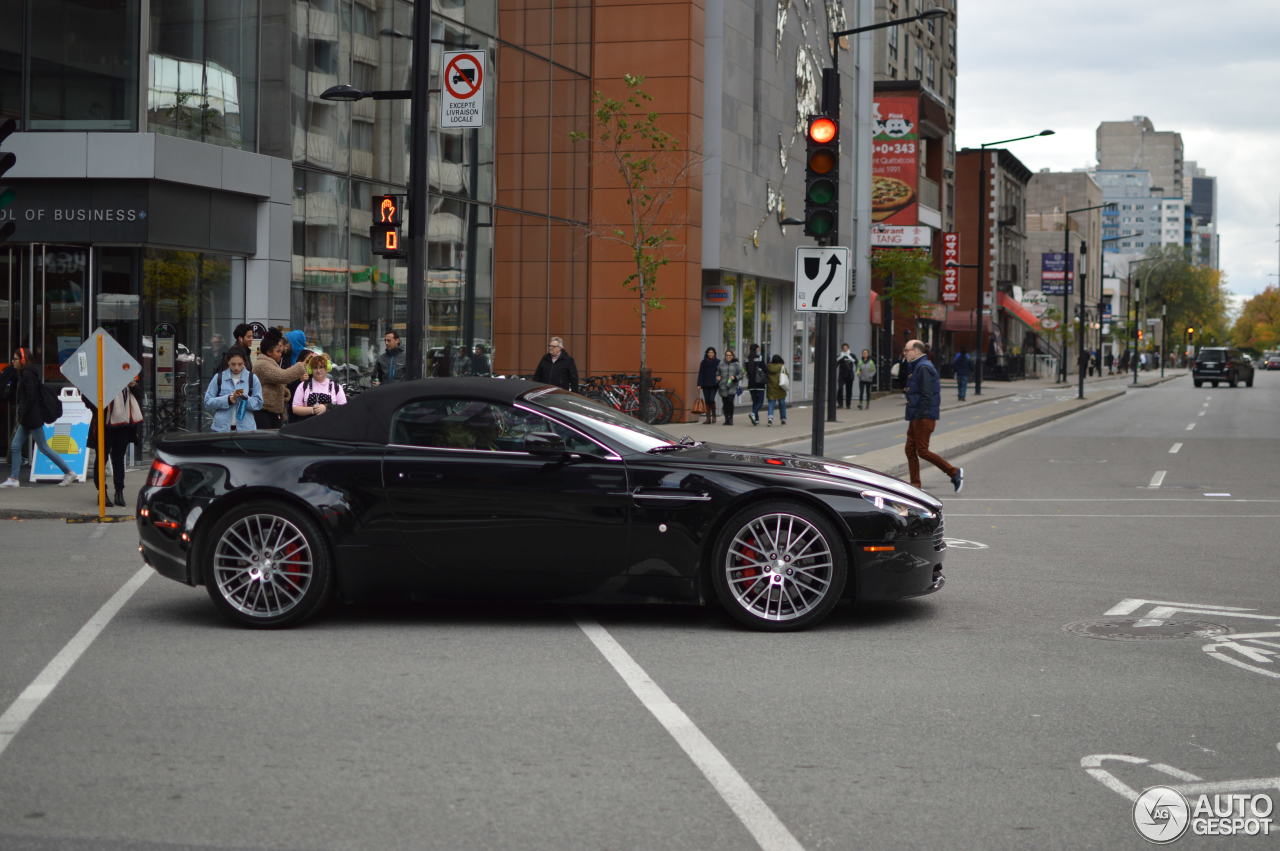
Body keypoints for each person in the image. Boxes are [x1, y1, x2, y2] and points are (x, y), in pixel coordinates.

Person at [2, 347, 77, 487]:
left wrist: (22, 414)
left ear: (23, 360)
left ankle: (69, 472)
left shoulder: (28, 375)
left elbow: (30, 398)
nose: (13, 361)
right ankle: (13, 478)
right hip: (28, 418)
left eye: (15, 359)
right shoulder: (25, 373)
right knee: (16, 446)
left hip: (31, 418)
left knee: (42, 447)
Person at [902, 339, 963, 493]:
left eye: (907, 350)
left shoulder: (924, 368)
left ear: (916, 351)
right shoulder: (917, 366)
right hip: (916, 415)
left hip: (923, 416)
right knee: (910, 449)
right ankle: (915, 484)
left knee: (922, 450)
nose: (905, 353)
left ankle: (954, 472)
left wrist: (920, 414)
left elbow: (927, 395)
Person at [87, 373, 143, 506]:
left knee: (118, 459)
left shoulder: (125, 376)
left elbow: (139, 396)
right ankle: (102, 492)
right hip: (104, 424)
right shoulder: (99, 375)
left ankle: (119, 491)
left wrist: (133, 385)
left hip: (123, 425)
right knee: (101, 459)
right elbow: (88, 400)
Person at [252, 329, 307, 429]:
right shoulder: (262, 364)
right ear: (269, 352)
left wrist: (284, 392)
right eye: (278, 351)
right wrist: (301, 366)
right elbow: (283, 376)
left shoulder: (269, 363)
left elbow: (277, 381)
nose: (280, 354)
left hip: (271, 411)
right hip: (264, 412)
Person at [204, 346, 261, 433]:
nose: (236, 368)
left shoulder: (252, 378)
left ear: (244, 362)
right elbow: (207, 402)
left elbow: (259, 404)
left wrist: (245, 398)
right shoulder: (219, 377)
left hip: (246, 429)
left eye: (240, 364)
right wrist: (228, 399)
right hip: (221, 429)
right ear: (228, 362)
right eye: (233, 364)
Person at [291, 354, 347, 420]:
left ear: (326, 369)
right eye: (315, 368)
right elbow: (295, 408)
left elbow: (344, 409)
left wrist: (327, 408)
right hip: (308, 427)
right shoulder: (303, 386)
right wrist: (313, 410)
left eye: (321, 367)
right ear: (311, 369)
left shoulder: (336, 387)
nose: (318, 370)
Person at [716, 348, 744, 425]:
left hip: (732, 386)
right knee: (725, 403)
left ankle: (730, 418)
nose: (728, 356)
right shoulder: (721, 364)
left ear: (732, 356)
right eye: (727, 355)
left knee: (730, 402)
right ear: (725, 356)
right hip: (723, 386)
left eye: (730, 355)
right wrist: (718, 377)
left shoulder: (736, 364)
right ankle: (726, 419)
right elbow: (717, 372)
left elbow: (742, 374)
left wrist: (735, 377)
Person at [743, 343, 767, 425]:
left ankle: (756, 419)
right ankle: (753, 413)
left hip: (751, 383)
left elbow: (747, 371)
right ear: (756, 350)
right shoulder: (760, 358)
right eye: (758, 349)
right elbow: (765, 369)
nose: (759, 350)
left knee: (755, 402)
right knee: (760, 402)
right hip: (759, 383)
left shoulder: (747, 359)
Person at [696, 347, 720, 424]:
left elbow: (720, 372)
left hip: (714, 384)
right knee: (707, 400)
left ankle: (714, 416)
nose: (710, 354)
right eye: (709, 352)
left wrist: (719, 377)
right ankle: (708, 418)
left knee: (711, 399)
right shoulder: (703, 362)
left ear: (714, 354)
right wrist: (699, 384)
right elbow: (701, 373)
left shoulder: (718, 362)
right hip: (705, 384)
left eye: (712, 352)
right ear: (707, 353)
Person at [765, 353, 788, 426]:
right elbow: (787, 376)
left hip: (771, 388)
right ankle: (783, 418)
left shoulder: (768, 367)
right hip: (780, 388)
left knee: (771, 403)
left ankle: (770, 418)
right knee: (782, 403)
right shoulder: (782, 367)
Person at [835, 343, 855, 409]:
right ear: (842, 349)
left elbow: (857, 363)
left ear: (848, 348)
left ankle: (848, 405)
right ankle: (840, 404)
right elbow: (835, 365)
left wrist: (858, 372)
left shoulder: (852, 355)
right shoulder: (840, 356)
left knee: (849, 391)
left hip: (850, 375)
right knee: (840, 389)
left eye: (846, 348)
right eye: (844, 348)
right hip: (842, 375)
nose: (845, 349)